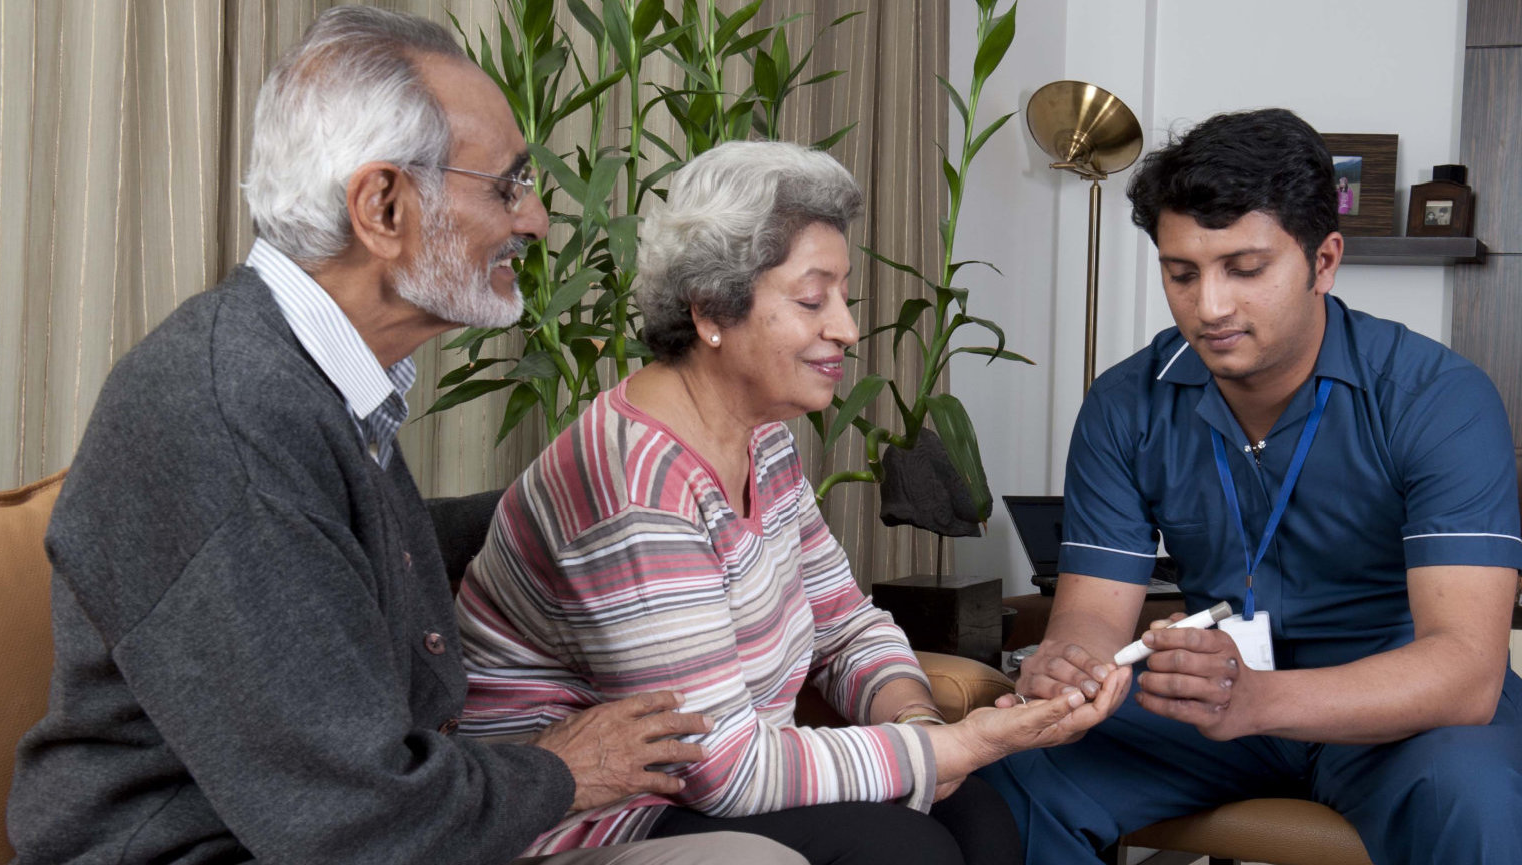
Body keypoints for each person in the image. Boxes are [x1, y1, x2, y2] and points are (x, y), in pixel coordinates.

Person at [6, 8, 802, 865]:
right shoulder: (228, 417)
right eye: (506, 185)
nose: (535, 219)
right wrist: (564, 768)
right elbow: (354, 822)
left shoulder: (303, 375)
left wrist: (599, 497)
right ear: (384, 206)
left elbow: (335, 559)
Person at [453, 140, 1125, 865]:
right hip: (599, 810)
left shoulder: (762, 440)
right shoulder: (635, 485)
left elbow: (844, 626)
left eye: (842, 296)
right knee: (900, 849)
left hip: (715, 781)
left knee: (981, 816)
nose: (845, 327)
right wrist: (945, 746)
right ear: (712, 307)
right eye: (812, 299)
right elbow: (719, 767)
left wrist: (921, 722)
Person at [973, 108, 1522, 865]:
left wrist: (1259, 700)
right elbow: (1090, 616)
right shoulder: (1126, 402)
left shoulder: (1436, 396)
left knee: (1476, 806)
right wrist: (1071, 660)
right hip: (1210, 705)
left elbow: (1467, 673)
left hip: (1400, 712)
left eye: (1245, 269)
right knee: (1003, 776)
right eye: (1182, 273)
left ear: (1324, 260)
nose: (1209, 307)